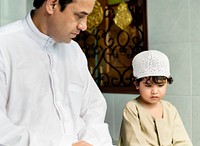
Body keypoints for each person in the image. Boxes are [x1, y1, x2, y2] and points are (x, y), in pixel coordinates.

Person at [0, 0, 113, 146]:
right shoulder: (4, 46)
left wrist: (90, 141)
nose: (84, 26)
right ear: (52, 5)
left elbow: (93, 108)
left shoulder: (74, 51)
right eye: (79, 15)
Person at [118, 50, 193, 146]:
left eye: (160, 85)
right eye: (148, 86)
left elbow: (182, 141)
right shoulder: (132, 108)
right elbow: (134, 142)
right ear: (137, 84)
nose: (155, 91)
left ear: (167, 83)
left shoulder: (170, 109)